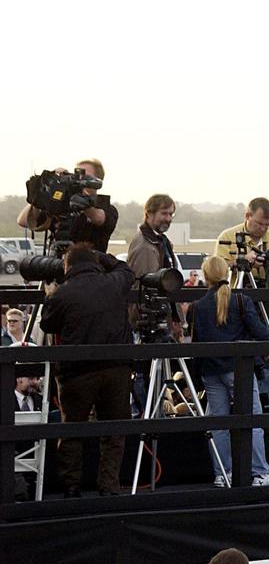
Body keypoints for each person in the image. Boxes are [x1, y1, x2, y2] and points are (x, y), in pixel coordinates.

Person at [39, 244, 135, 496]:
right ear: (95, 263)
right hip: (116, 369)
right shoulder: (114, 282)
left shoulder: (63, 293)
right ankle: (109, 487)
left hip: (77, 372)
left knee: (72, 430)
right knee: (114, 431)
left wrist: (50, 296)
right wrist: (104, 257)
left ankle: (71, 488)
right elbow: (127, 270)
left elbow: (47, 324)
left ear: (67, 266)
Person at [189, 255, 269, 487]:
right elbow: (260, 332)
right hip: (239, 369)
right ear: (227, 274)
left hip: (210, 370)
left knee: (218, 424)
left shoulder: (197, 307)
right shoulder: (241, 300)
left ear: (205, 276)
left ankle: (223, 472)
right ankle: (260, 473)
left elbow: (196, 342)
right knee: (252, 420)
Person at [213, 197, 269, 411]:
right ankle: (241, 401)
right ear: (247, 216)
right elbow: (217, 269)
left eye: (267, 224)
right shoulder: (228, 236)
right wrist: (243, 261)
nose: (263, 228)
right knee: (239, 349)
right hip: (238, 302)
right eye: (259, 223)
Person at [18, 159, 118, 252]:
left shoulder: (107, 208)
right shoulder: (62, 206)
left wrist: (77, 190)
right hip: (58, 261)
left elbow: (98, 218)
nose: (79, 178)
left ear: (97, 180)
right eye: (76, 174)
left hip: (89, 262)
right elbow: (23, 221)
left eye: (84, 175)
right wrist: (43, 192)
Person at [125, 193, 182, 342]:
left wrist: (175, 317)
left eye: (171, 214)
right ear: (149, 213)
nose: (168, 218)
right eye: (163, 213)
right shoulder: (145, 246)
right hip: (149, 323)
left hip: (162, 318)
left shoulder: (160, 240)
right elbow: (144, 286)